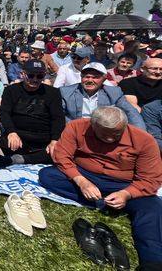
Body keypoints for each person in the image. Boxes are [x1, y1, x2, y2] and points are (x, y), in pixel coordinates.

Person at [39, 107, 162, 270]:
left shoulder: (144, 140)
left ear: (125, 127)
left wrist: (127, 194)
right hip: (85, 174)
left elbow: (150, 179)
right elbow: (62, 156)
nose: (110, 139)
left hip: (124, 183)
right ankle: (105, 202)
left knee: (153, 209)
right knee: (48, 175)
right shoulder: (76, 127)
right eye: (104, 134)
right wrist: (81, 181)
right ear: (92, 125)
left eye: (116, 135)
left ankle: (152, 261)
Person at [0, 59, 65, 167]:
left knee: (57, 151)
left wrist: (54, 139)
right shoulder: (11, 90)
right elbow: (5, 113)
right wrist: (11, 132)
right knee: (4, 142)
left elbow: (58, 118)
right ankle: (31, 157)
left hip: (42, 136)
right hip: (19, 135)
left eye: (39, 76)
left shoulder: (52, 93)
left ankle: (20, 159)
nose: (35, 79)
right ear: (22, 74)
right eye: (31, 75)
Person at [60, 62, 145, 129]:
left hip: (104, 130)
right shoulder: (66, 92)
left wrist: (141, 134)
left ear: (104, 79)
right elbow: (59, 116)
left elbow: (131, 113)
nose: (90, 80)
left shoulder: (114, 93)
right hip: (74, 129)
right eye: (87, 77)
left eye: (95, 77)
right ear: (81, 77)